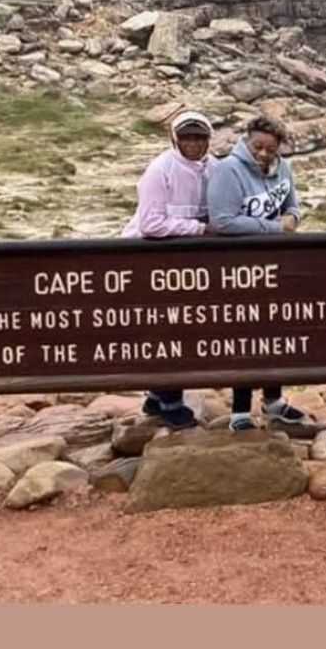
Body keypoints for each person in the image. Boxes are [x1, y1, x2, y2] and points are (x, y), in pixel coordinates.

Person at [207, 115, 308, 433]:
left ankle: (274, 401)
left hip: (275, 264)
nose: (264, 154)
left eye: (271, 149)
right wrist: (275, 228)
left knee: (275, 333)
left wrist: (291, 217)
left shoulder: (284, 168)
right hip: (239, 266)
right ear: (247, 140)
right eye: (258, 147)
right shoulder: (228, 170)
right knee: (245, 336)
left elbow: (293, 206)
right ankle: (239, 411)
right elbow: (223, 220)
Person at [122, 109, 219, 430]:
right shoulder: (159, 170)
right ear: (174, 139)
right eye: (187, 137)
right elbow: (151, 224)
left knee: (183, 326)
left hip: (186, 263)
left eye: (199, 137)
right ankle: (170, 401)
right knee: (164, 328)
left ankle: (156, 394)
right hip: (147, 259)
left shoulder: (216, 169)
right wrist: (200, 230)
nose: (193, 143)